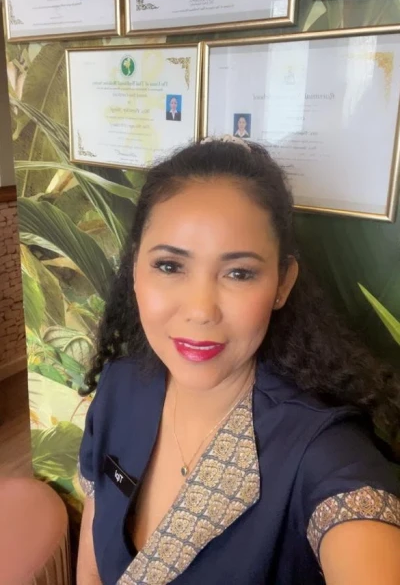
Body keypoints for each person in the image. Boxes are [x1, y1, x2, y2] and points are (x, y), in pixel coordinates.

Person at [77, 136, 400, 585]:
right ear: (134, 267)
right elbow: (92, 565)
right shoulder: (119, 388)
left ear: (282, 284)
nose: (201, 310)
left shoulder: (321, 455)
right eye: (170, 265)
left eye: (239, 273)